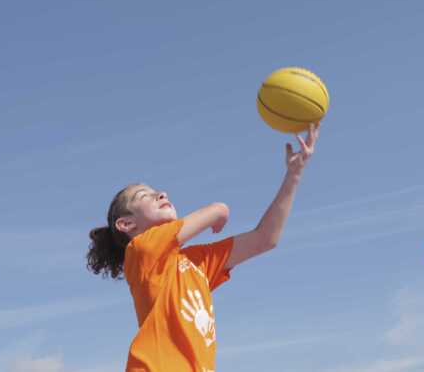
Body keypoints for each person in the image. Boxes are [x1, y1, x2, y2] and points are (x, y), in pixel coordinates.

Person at [86, 123, 319, 372]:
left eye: (158, 192)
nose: (161, 193)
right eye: (145, 195)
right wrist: (219, 210)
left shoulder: (197, 263)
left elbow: (265, 238)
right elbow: (212, 214)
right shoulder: (140, 250)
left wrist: (294, 175)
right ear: (126, 224)